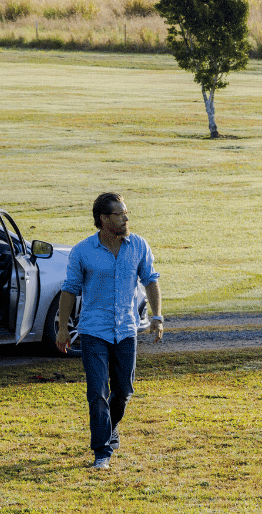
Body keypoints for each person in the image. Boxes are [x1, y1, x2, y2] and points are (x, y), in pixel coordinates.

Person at [55, 192, 163, 470]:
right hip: (94, 331)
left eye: (126, 213)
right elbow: (69, 290)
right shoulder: (83, 251)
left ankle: (109, 428)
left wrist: (157, 317)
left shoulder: (138, 245)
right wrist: (63, 329)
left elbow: (150, 281)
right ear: (104, 219)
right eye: (120, 214)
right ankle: (102, 451)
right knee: (97, 393)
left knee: (124, 391)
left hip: (126, 330)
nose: (126, 218)